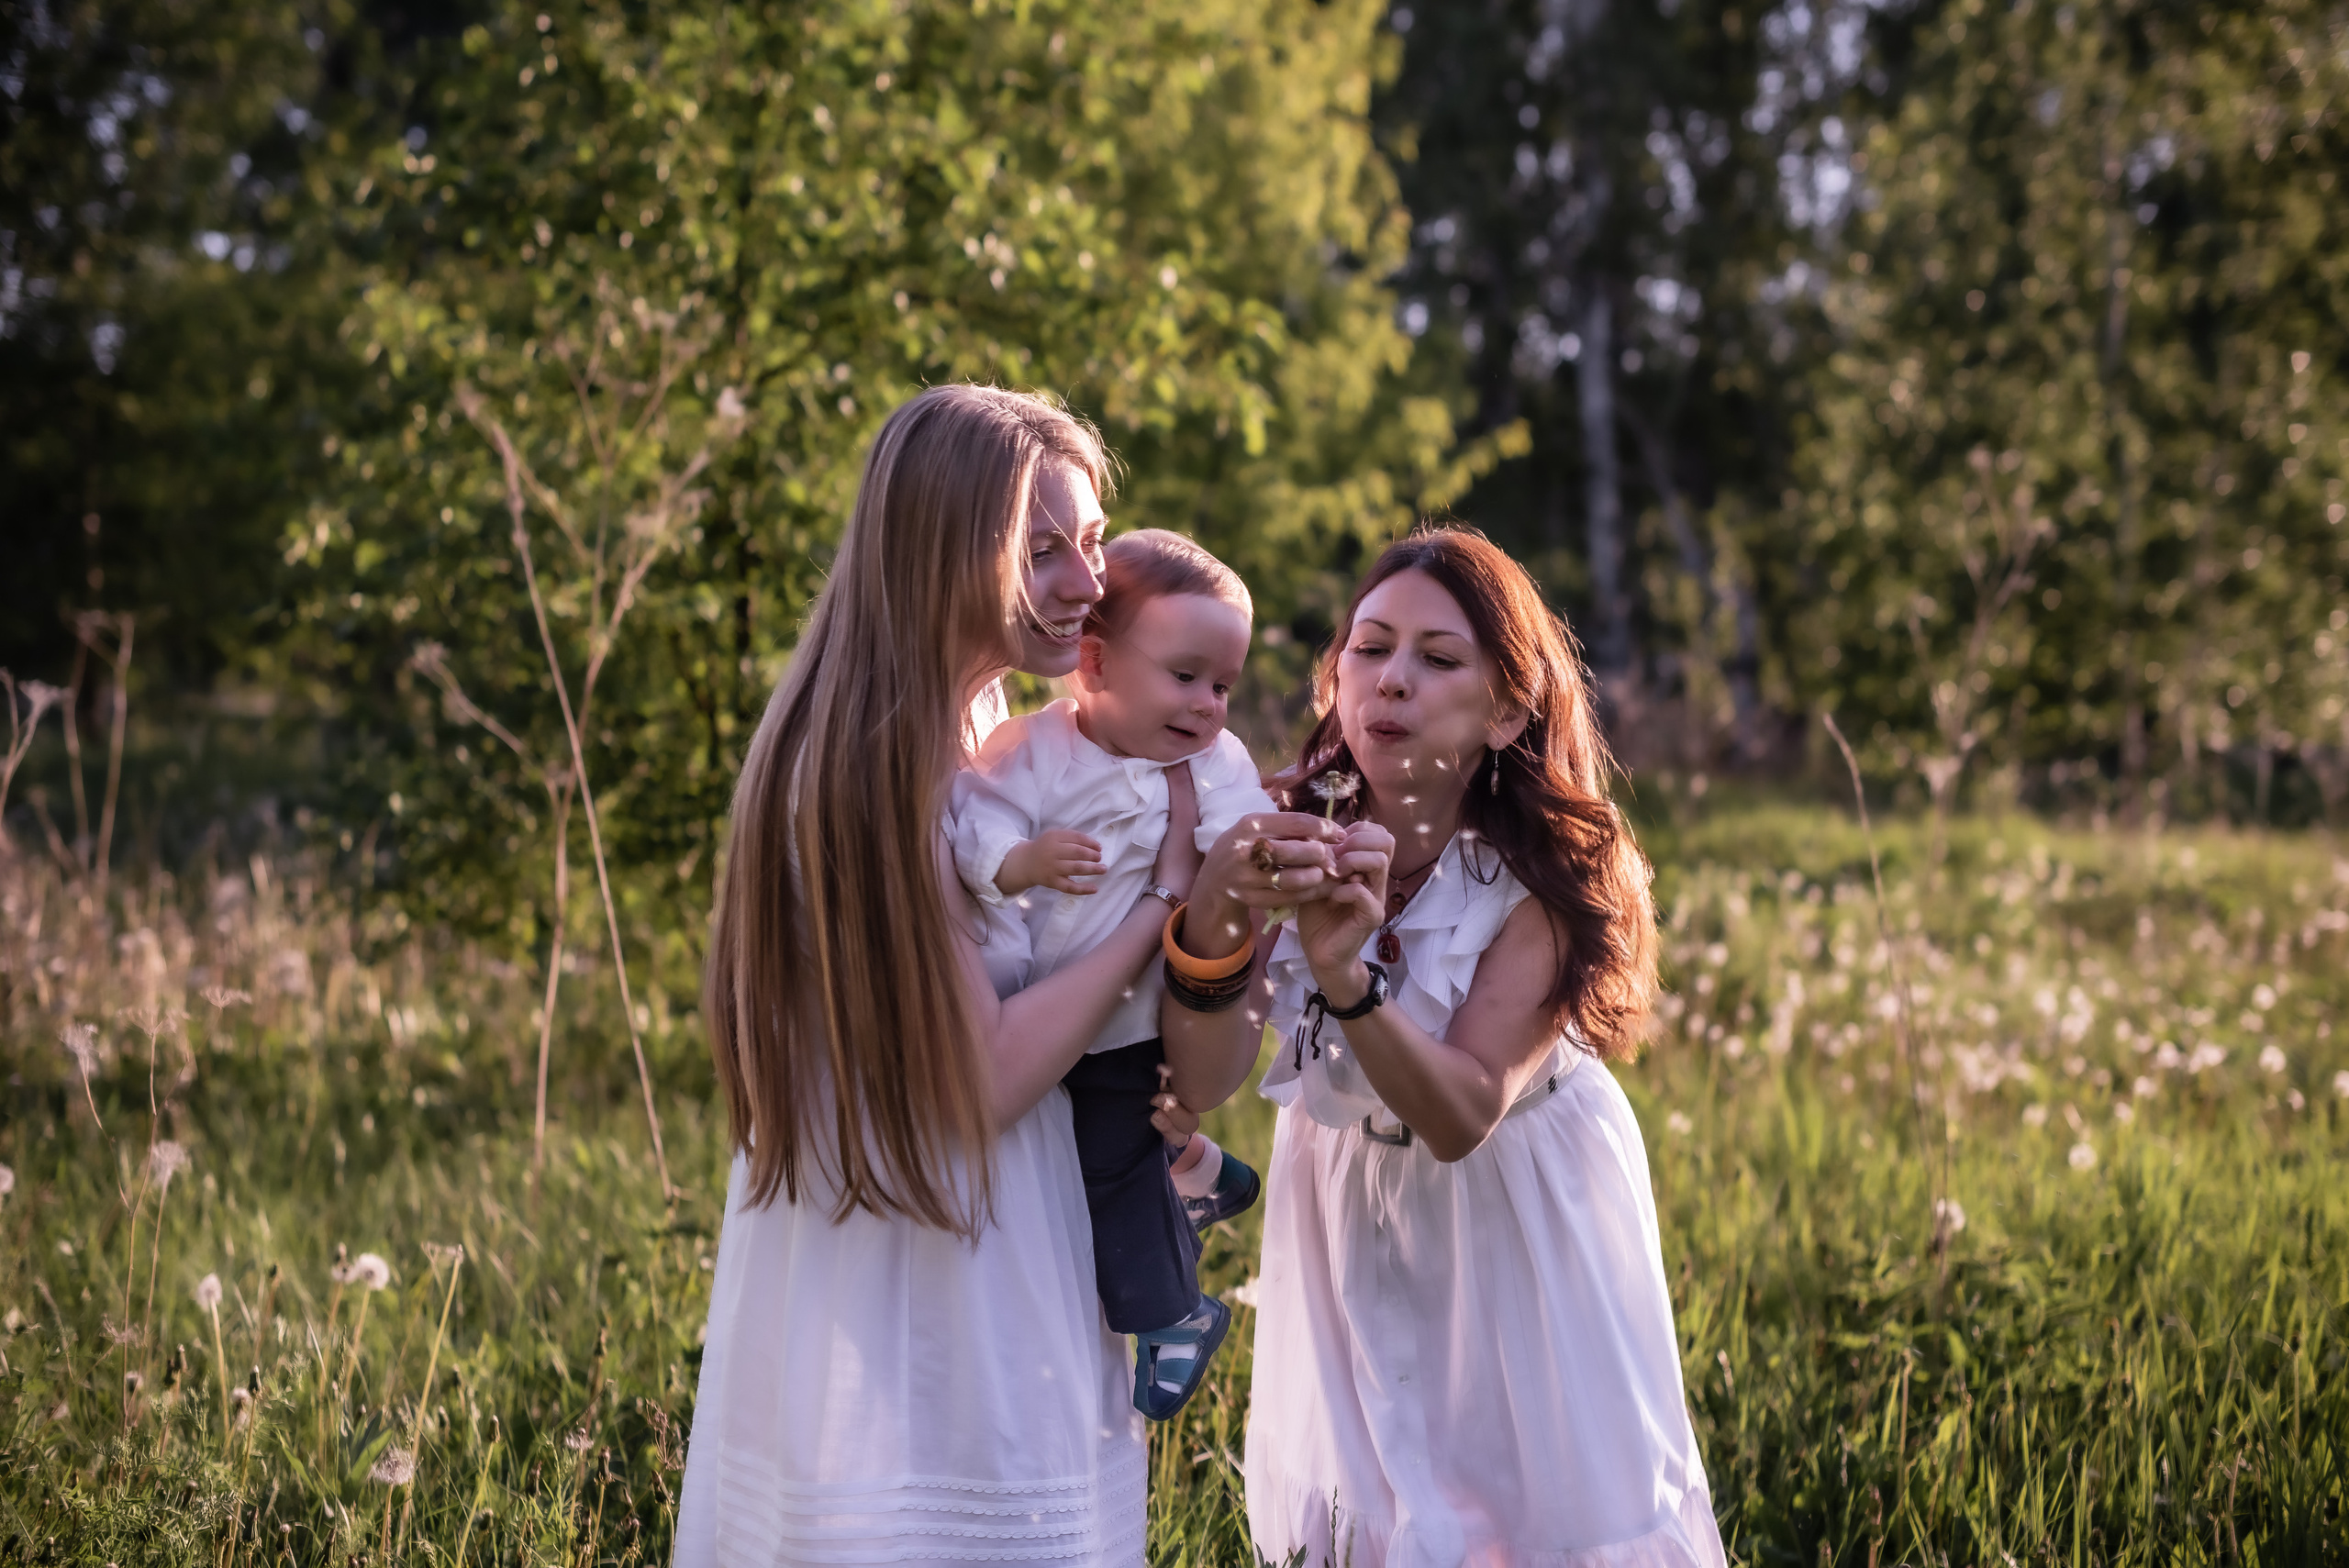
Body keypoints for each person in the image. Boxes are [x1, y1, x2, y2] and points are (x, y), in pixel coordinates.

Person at [674, 386, 1274, 1565]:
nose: (1089, 581)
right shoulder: (878, 768)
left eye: (1091, 539)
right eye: (1042, 550)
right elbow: (983, 1078)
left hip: (966, 1227)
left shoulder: (974, 731)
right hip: (934, 1265)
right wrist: (1158, 901)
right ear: (942, 552)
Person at [1174, 528, 1727, 1567]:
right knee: (1373, 1498)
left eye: (1437, 658)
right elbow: (1207, 1076)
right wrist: (1215, 909)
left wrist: (1345, 975)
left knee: (1529, 1503)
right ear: (1336, 675)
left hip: (1513, 1194)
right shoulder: (1282, 826)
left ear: (1506, 709)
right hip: (1343, 1185)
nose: (1392, 679)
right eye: (1370, 647)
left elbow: (1463, 1111)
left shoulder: (1550, 873)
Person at [951, 528, 1275, 1419]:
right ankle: (1197, 1170)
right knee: (1091, 1147)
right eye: (1185, 676)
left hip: (1136, 1020)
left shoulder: (1210, 763)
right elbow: (975, 817)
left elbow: (1243, 830)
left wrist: (1268, 855)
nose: (1207, 705)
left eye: (1223, 686)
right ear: (1094, 662)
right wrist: (1019, 861)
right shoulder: (1032, 748)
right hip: (1048, 1008)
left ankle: (1173, 1313)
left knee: (1104, 1162)